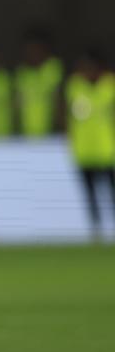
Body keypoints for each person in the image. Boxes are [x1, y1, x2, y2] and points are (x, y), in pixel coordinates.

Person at [65, 51, 115, 237]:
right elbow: (67, 116)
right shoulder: (75, 86)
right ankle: (96, 229)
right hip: (84, 150)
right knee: (90, 194)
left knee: (110, 192)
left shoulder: (110, 85)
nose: (88, 72)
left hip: (107, 149)